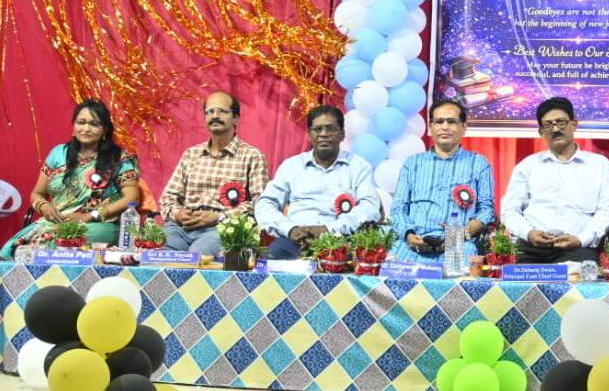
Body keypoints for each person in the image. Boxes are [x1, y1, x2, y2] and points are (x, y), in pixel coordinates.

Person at [1, 100, 140, 257]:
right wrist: (44, 206)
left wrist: (89, 216)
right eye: (81, 122)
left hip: (98, 225)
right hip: (54, 222)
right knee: (15, 248)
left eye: (94, 124)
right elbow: (37, 193)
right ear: (74, 126)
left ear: (105, 130)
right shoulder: (59, 153)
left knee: (55, 242)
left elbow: (132, 197)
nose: (86, 129)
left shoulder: (118, 158)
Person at [501, 97, 609, 264]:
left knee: (579, 277)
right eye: (548, 125)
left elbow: (607, 212)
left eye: (561, 122)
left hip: (578, 247)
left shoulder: (600, 165)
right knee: (513, 276)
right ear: (541, 132)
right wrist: (529, 233)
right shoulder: (527, 166)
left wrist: (581, 239)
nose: (555, 129)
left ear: (574, 124)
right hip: (531, 246)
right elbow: (510, 211)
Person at [255, 105, 382, 258]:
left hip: (340, 240)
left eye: (330, 129)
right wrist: (290, 229)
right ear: (309, 135)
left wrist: (328, 229)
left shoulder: (358, 166)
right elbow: (265, 204)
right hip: (296, 240)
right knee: (272, 257)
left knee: (351, 260)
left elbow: (370, 207)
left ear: (342, 134)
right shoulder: (291, 166)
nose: (323, 134)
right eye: (317, 129)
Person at [160, 91, 268, 257]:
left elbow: (259, 203)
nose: (215, 116)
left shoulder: (252, 156)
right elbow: (168, 198)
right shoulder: (191, 154)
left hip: (223, 227)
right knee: (159, 255)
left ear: (236, 118)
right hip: (182, 227)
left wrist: (219, 217)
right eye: (210, 111)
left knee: (198, 257)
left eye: (222, 111)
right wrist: (179, 214)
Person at [388, 100, 495, 264]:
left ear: (463, 127)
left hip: (458, 243)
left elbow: (486, 210)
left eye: (451, 122)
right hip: (413, 243)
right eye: (439, 122)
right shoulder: (413, 163)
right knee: (392, 275)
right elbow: (398, 208)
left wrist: (458, 236)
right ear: (431, 126)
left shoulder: (479, 163)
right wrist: (408, 236)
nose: (445, 127)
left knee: (459, 277)